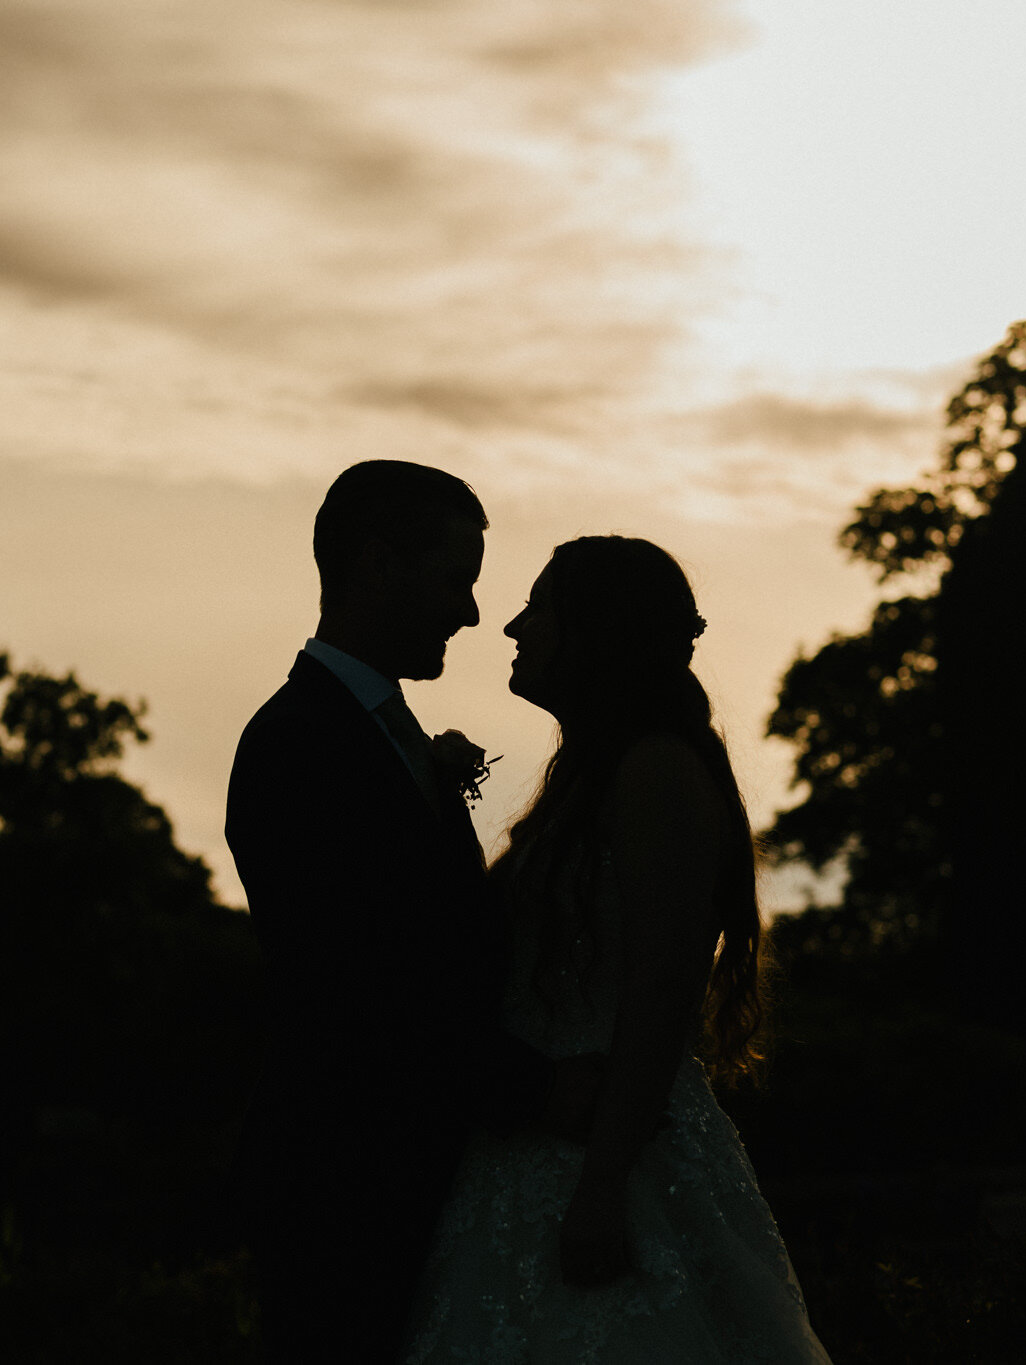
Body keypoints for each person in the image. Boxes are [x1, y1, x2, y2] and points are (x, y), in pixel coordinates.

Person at [405, 535, 832, 1364]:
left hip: (611, 1150)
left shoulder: (658, 773)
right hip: (531, 1144)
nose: (514, 625)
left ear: (594, 629)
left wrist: (603, 1185)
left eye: (540, 606)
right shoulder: (588, 779)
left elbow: (660, 993)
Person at [226, 462, 599, 1365]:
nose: (471, 613)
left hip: (432, 1181)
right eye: (455, 580)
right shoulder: (293, 746)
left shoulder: (382, 737)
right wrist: (541, 1088)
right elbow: (358, 991)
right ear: (378, 564)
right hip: (351, 1193)